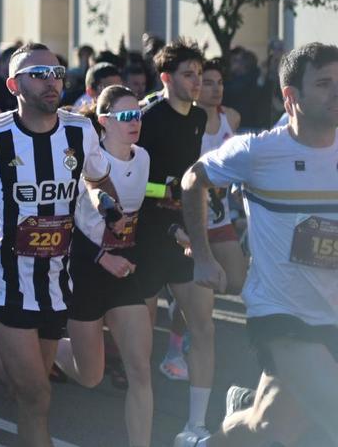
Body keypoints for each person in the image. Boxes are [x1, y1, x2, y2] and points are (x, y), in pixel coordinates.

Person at [0, 44, 114, 447]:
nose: (51, 81)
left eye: (56, 72)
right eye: (38, 74)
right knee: (38, 397)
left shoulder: (79, 130)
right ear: (15, 84)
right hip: (6, 278)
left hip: (56, 279)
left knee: (25, 393)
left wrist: (108, 206)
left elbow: (99, 178)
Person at [176, 42, 338, 447]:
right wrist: (204, 255)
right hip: (282, 314)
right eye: (324, 84)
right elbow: (193, 179)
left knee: (269, 426)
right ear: (291, 97)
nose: (336, 91)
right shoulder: (259, 151)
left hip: (332, 310)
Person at [55, 86, 156, 447]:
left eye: (138, 115)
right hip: (85, 270)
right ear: (104, 121)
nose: (135, 123)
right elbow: (63, 224)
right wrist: (102, 257)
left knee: (141, 371)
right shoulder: (89, 160)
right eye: (126, 116)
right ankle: (45, 347)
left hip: (123, 271)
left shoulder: (142, 158)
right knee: (91, 376)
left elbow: (142, 211)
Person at [133, 39, 215, 443]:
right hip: (145, 238)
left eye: (200, 74)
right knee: (142, 343)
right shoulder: (148, 119)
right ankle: (142, 423)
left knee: (204, 327)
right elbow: (127, 182)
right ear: (166, 79)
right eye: (188, 75)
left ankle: (195, 424)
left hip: (183, 236)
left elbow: (188, 180)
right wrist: (161, 191)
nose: (197, 82)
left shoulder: (199, 117)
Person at [195, 58, 247, 294]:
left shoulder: (232, 118)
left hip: (221, 216)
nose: (216, 89)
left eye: (219, 82)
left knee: (237, 282)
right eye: (208, 83)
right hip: (190, 219)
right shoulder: (186, 122)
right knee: (198, 294)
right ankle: (179, 325)